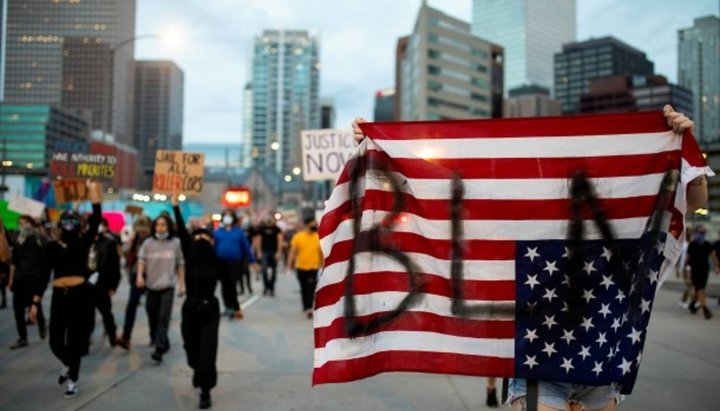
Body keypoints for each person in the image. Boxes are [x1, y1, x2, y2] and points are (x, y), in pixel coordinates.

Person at [352, 105, 710, 411]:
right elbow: (442, 197)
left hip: (601, 364)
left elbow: (690, 202)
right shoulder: (523, 222)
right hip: (538, 365)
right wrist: (379, 149)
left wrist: (684, 144)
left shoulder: (618, 222)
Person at [29, 180, 103, 398]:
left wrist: (93, 194)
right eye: (66, 221)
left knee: (76, 341)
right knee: (55, 341)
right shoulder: (52, 248)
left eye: (74, 221)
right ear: (60, 225)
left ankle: (73, 379)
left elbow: (96, 220)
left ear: (79, 226)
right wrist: (35, 302)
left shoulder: (83, 244)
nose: (70, 224)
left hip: (80, 297)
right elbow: (43, 276)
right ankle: (67, 363)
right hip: (59, 297)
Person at [172, 195, 220, 409]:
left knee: (208, 353)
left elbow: (228, 282)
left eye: (205, 238)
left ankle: (205, 390)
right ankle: (196, 369)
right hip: (190, 308)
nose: (201, 240)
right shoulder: (189, 254)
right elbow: (182, 232)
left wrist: (235, 306)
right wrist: (175, 206)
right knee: (192, 349)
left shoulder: (217, 260)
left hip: (210, 308)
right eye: (197, 237)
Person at [136, 213, 185, 363]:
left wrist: (182, 283)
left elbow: (180, 264)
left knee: (164, 317)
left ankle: (159, 348)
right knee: (153, 315)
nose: (160, 227)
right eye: (158, 224)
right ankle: (162, 340)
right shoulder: (148, 243)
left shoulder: (175, 243)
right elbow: (141, 261)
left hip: (168, 286)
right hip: (151, 286)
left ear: (168, 226)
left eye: (163, 224)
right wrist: (139, 276)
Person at [8, 215, 49, 350]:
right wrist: (11, 278)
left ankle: (42, 325)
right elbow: (14, 261)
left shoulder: (38, 238)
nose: (22, 226)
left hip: (34, 278)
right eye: (20, 223)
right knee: (17, 310)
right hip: (20, 279)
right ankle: (22, 337)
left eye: (25, 223)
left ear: (31, 224)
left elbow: (45, 257)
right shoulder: (17, 240)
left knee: (35, 305)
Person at [116, 216, 152, 350]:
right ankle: (126, 336)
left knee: (152, 307)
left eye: (145, 230)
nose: (142, 233)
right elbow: (124, 252)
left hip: (151, 277)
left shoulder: (153, 240)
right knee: (131, 305)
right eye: (140, 230)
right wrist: (130, 241)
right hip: (136, 277)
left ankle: (154, 336)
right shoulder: (134, 239)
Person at [214, 210, 256, 319]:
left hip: (235, 262)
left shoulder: (238, 232)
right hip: (221, 262)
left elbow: (245, 247)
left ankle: (235, 307)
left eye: (230, 216)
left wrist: (252, 261)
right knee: (224, 285)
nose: (228, 218)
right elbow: (214, 248)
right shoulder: (218, 232)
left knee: (232, 284)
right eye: (226, 216)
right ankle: (228, 307)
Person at [87, 218, 121, 347]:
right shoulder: (85, 242)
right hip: (87, 286)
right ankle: (86, 339)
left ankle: (112, 334)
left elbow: (114, 266)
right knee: (87, 315)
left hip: (102, 284)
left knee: (106, 313)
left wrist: (113, 285)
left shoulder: (109, 243)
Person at [287, 216, 323, 318]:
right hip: (300, 267)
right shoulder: (298, 237)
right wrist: (289, 264)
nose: (315, 226)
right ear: (307, 225)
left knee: (311, 288)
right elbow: (293, 251)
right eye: (313, 224)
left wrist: (324, 265)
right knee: (303, 288)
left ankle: (309, 308)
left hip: (313, 267)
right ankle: (305, 306)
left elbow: (321, 253)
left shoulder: (318, 237)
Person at [687, 224, 718, 319]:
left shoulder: (707, 244)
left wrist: (717, 266)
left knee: (699, 289)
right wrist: (685, 269)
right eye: (700, 232)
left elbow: (713, 256)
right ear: (696, 233)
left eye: (704, 232)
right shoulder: (692, 244)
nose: (702, 234)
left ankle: (692, 304)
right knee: (701, 289)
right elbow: (688, 258)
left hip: (705, 269)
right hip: (695, 269)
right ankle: (705, 310)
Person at [256, 216, 284, 297]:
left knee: (274, 271)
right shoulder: (261, 229)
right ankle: (266, 286)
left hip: (274, 252)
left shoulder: (277, 229)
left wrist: (279, 252)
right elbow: (258, 240)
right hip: (264, 252)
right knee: (264, 270)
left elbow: (280, 241)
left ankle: (271, 288)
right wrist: (258, 252)